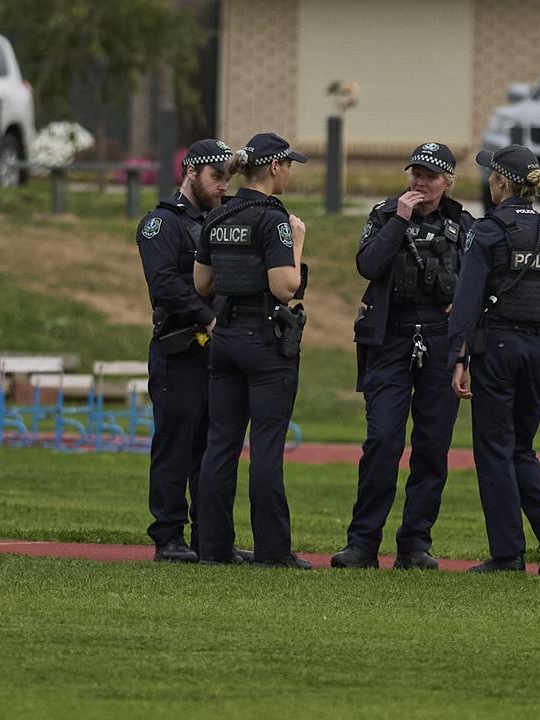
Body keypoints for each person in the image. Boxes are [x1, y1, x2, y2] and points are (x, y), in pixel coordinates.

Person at [332, 143, 475, 571]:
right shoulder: (383, 215)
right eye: (414, 173)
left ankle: (415, 544)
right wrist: (400, 219)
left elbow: (480, 281)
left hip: (440, 342)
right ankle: (362, 543)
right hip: (390, 340)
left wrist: (464, 318)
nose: (419, 182)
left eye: (430, 176)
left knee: (432, 447)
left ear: (448, 181)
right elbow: (368, 264)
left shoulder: (465, 224)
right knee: (383, 440)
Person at [446, 144, 540, 575]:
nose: (488, 180)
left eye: (491, 175)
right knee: (520, 447)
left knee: (493, 449)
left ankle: (507, 553)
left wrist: (457, 356)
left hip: (499, 347)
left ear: (502, 181)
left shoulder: (488, 231)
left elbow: (466, 302)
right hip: (538, 350)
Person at [193, 132, 311, 569]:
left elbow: (201, 284)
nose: (290, 173)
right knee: (265, 447)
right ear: (275, 167)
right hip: (264, 340)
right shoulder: (273, 219)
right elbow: (285, 287)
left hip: (224, 339)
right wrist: (297, 242)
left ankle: (214, 548)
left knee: (220, 444)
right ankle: (272, 550)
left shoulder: (220, 216)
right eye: (288, 165)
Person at [135, 138, 249, 564]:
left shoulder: (223, 221)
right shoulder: (163, 224)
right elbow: (164, 283)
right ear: (191, 172)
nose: (223, 186)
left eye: (227, 177)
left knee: (214, 448)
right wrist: (208, 317)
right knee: (176, 444)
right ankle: (168, 537)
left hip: (218, 352)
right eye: (216, 176)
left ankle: (212, 538)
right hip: (180, 349)